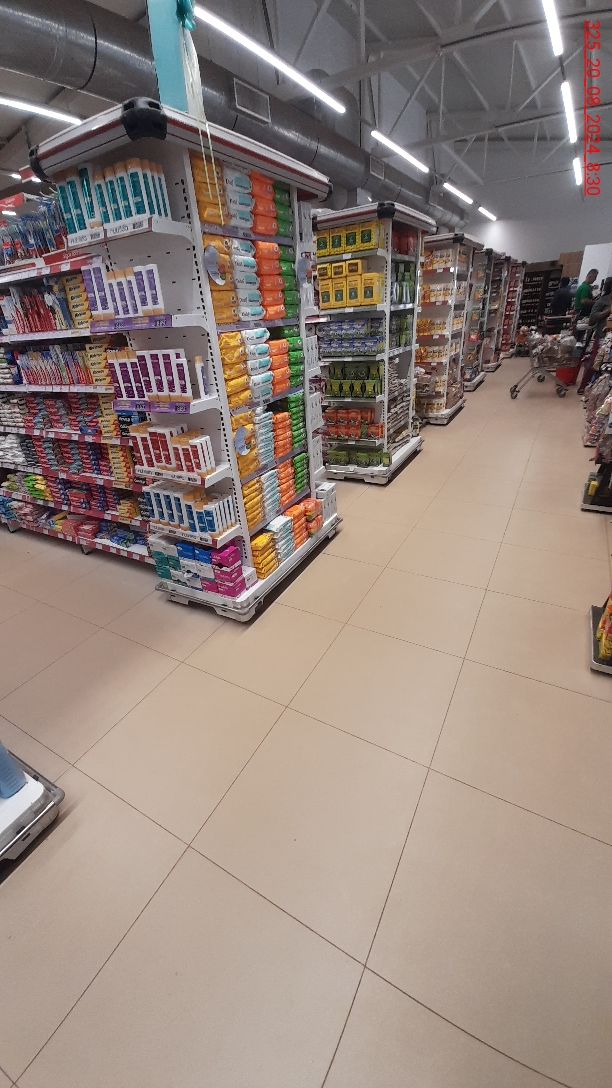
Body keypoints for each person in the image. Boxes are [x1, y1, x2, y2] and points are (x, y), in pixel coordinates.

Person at [577, 276, 612, 394]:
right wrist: (608, 311)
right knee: (595, 362)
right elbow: (592, 318)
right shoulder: (602, 301)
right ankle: (584, 386)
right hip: (602, 337)